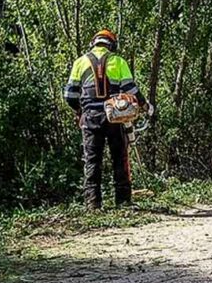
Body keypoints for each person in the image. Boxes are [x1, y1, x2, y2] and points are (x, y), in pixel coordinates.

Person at [63, 29, 154, 210]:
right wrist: (146, 106)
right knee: (120, 158)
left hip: (90, 119)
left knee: (92, 160)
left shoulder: (80, 62)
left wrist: (80, 111)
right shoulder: (118, 61)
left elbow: (69, 95)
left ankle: (93, 204)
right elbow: (131, 90)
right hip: (115, 118)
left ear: (94, 43)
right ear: (111, 44)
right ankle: (123, 202)